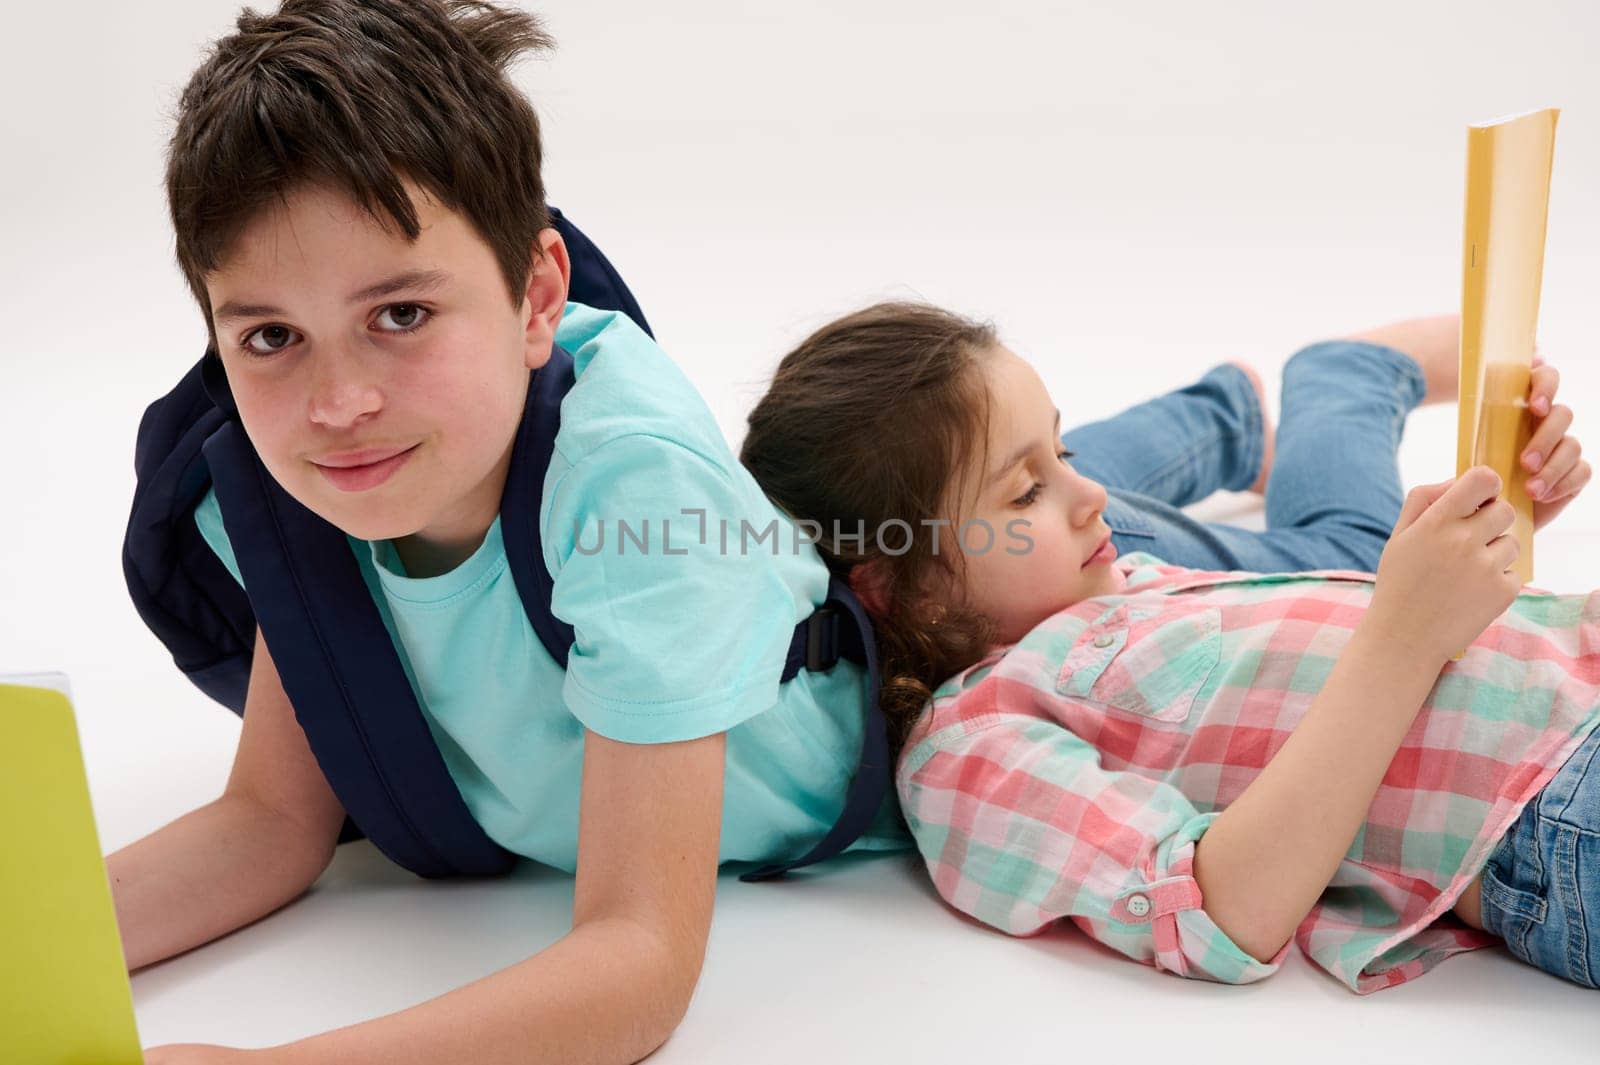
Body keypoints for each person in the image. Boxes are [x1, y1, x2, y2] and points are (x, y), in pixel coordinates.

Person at [111, 3, 912, 1062]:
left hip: (936, 666)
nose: (337, 401)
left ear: (537, 295)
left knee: (1091, 528)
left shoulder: (634, 491)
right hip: (752, 550)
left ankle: (1217, 409)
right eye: (271, 336)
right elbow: (270, 823)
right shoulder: (296, 486)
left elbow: (638, 960)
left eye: (399, 315)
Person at [739, 301, 1599, 992]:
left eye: (1065, 449)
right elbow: (1220, 910)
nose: (1092, 494)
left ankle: (1299, 393)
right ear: (894, 586)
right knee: (1341, 537)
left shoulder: (1120, 578)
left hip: (1574, 658)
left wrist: (1491, 543)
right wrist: (1404, 635)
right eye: (1027, 489)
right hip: (1558, 800)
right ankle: (1334, 382)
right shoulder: (968, 744)